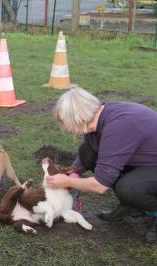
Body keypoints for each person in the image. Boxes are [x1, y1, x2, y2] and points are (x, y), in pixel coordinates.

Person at [47, 87, 157, 243]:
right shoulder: (99, 115)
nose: (65, 128)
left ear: (77, 117)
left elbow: (100, 186)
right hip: (148, 160)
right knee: (88, 153)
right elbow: (89, 148)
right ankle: (133, 206)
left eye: (65, 122)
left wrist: (67, 181)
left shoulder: (119, 127)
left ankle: (145, 205)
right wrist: (74, 171)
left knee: (129, 189)